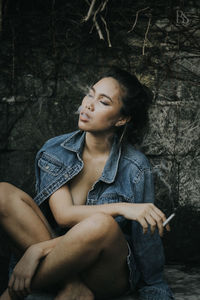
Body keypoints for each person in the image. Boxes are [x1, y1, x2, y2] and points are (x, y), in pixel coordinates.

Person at [0, 67, 174, 300]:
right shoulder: (55, 150)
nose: (88, 105)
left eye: (103, 102)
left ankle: (11, 295)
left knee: (101, 225)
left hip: (104, 272)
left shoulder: (135, 167)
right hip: (60, 257)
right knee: (2, 192)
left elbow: (146, 244)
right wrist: (124, 207)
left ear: (121, 119)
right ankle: (71, 285)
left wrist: (155, 290)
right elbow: (63, 216)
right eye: (90, 94)